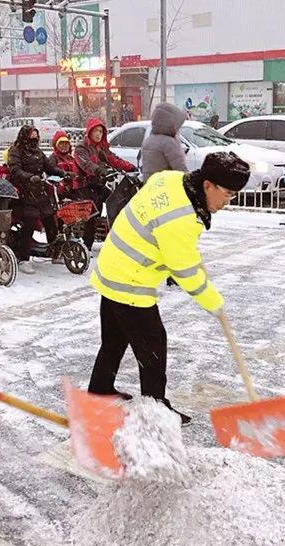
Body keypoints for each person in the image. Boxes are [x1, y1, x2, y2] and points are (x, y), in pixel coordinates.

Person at [87, 151, 251, 426]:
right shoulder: (182, 218)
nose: (228, 202)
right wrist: (213, 302)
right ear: (207, 185)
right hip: (131, 279)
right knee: (153, 348)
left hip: (112, 267)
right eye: (228, 194)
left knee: (114, 340)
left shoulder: (172, 180)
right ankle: (156, 412)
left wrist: (184, 250)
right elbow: (184, 268)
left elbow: (168, 237)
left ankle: (99, 390)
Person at [7, 124, 68, 273]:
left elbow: (49, 168)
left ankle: (55, 252)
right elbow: (15, 170)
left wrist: (63, 174)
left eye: (36, 137)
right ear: (24, 137)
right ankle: (24, 258)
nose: (34, 140)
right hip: (22, 193)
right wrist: (30, 177)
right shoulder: (15, 151)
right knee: (30, 222)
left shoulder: (38, 152)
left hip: (39, 191)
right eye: (31, 137)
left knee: (50, 219)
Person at [140, 102, 188, 183]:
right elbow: (180, 169)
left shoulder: (149, 140)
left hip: (150, 187)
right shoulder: (168, 143)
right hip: (166, 187)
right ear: (171, 123)